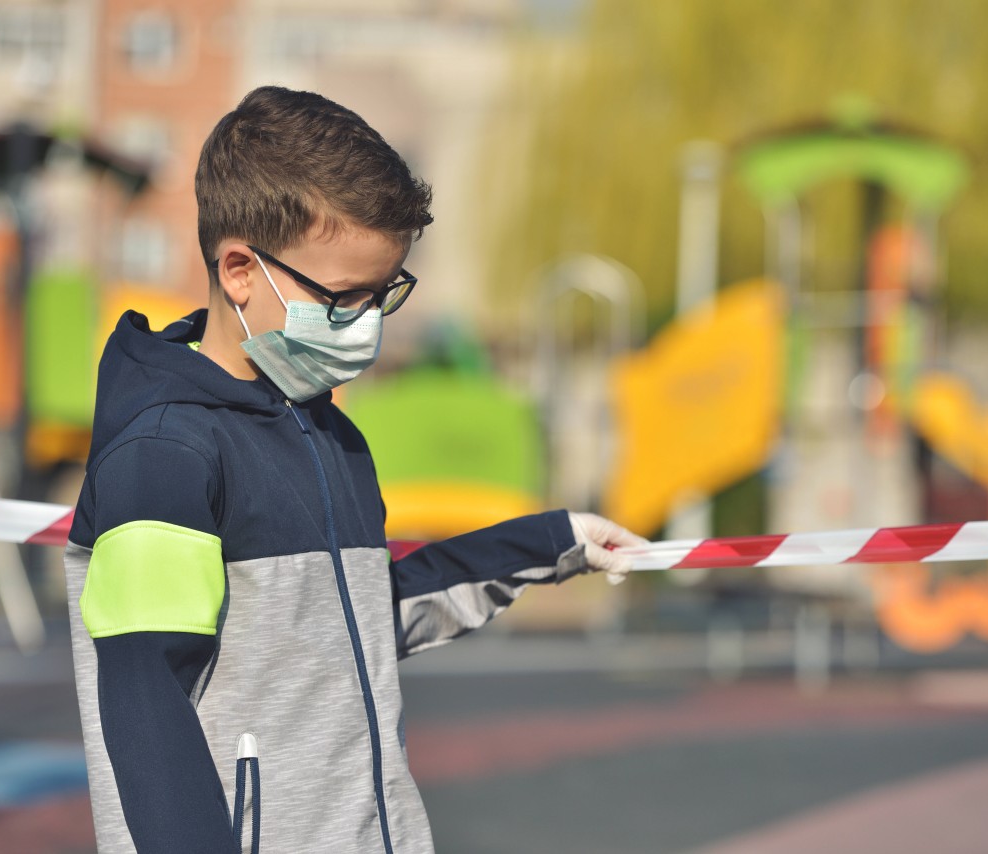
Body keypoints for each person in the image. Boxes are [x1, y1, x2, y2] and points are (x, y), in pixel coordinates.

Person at [63, 85, 644, 854]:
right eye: (343, 300)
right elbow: (145, 698)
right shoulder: (163, 456)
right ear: (240, 270)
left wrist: (544, 546)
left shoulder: (328, 434)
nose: (366, 326)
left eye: (383, 296)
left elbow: (355, 621)